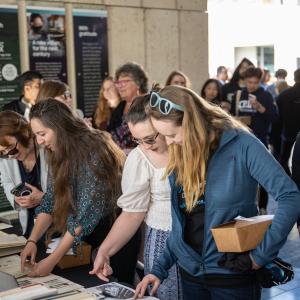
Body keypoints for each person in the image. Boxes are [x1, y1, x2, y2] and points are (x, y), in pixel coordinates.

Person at [134, 85, 300, 300]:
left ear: (191, 123)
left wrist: (260, 256)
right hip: (191, 276)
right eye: (162, 135)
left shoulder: (242, 144)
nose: (168, 142)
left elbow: (290, 196)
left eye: (172, 134)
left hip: (232, 276)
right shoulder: (180, 152)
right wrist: (158, 270)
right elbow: (182, 224)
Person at [21, 99, 140, 283]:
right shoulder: (58, 150)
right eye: (36, 135)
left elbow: (83, 217)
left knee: (115, 286)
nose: (39, 141)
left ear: (60, 126)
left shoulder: (94, 149)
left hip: (116, 234)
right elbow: (51, 200)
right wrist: (32, 240)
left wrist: (52, 261)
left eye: (42, 133)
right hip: (88, 236)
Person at [90, 95, 182, 300]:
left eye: (150, 138)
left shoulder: (187, 146)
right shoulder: (139, 158)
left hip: (200, 239)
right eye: (137, 140)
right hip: (162, 240)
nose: (145, 146)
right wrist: (105, 251)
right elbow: (132, 214)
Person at [0, 111, 48, 237]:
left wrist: (43, 198)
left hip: (59, 229)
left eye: (12, 148)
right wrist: (15, 198)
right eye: (3, 153)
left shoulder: (49, 149)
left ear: (25, 133)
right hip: (29, 229)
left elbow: (71, 195)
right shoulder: (6, 158)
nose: (10, 156)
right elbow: (6, 182)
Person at [107, 62, 148, 153]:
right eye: (118, 82)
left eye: (124, 81)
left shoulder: (148, 105)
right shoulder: (119, 107)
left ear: (138, 83)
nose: (120, 86)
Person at [277, 68, 300, 175]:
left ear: (294, 78)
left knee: (283, 160)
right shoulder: (284, 95)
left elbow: (278, 118)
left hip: (288, 133)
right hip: (289, 133)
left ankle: (290, 183)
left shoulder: (283, 95)